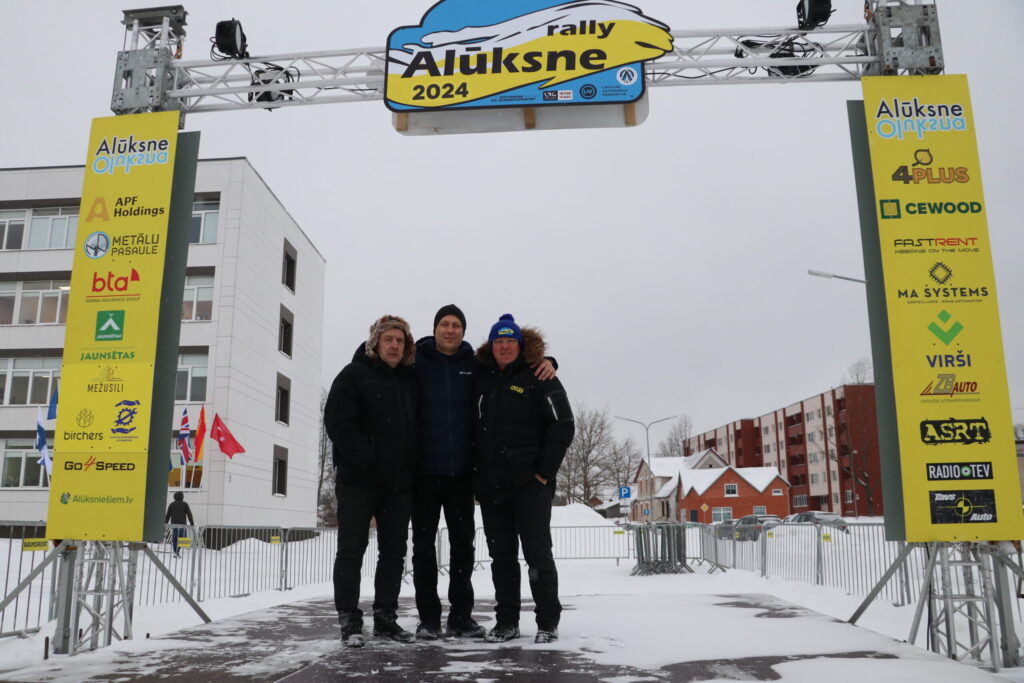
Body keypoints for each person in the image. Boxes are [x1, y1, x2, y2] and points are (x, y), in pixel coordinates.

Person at [411, 305, 555, 640]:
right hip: (424, 473)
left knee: (465, 549)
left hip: (463, 473)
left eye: (456, 325)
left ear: (464, 331)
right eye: (444, 324)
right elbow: (380, 361)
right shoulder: (415, 361)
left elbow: (515, 362)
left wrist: (549, 360)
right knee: (423, 549)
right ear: (435, 329)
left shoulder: (474, 365)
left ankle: (461, 616)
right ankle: (428, 618)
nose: (450, 330)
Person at [473, 314, 575, 644]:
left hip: (530, 485)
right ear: (491, 346)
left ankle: (547, 621)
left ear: (520, 345)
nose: (504, 346)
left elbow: (563, 425)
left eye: (510, 341)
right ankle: (506, 622)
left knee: (537, 555)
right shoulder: (482, 380)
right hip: (492, 487)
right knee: (501, 558)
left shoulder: (540, 376)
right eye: (499, 341)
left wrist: (543, 474)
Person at [324, 315, 419, 648]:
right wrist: (368, 458)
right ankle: (349, 620)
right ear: (376, 342)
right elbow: (337, 422)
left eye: (400, 340)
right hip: (358, 481)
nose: (394, 345)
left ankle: (386, 618)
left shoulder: (410, 381)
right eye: (388, 339)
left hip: (398, 485)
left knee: (394, 553)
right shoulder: (354, 375)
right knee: (352, 550)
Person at [165, 491, 194, 558]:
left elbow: (168, 515)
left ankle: (176, 551)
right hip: (182, 524)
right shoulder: (185, 504)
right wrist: (192, 524)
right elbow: (189, 515)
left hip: (174, 525)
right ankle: (177, 550)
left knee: (175, 538)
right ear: (182, 497)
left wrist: (165, 523)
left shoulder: (172, 504)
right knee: (183, 538)